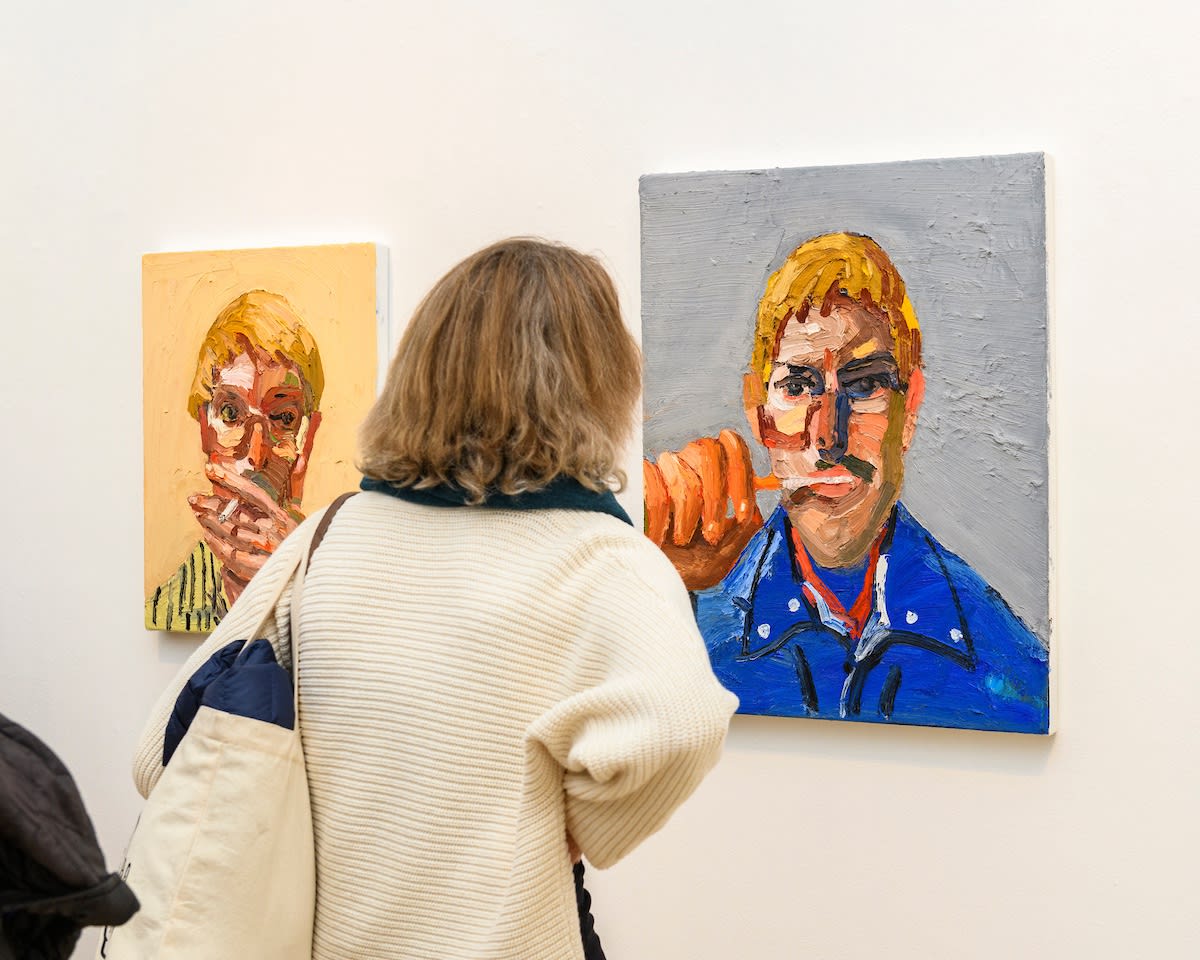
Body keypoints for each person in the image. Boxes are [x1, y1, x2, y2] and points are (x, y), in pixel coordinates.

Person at [131, 239, 737, 959]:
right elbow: (680, 726)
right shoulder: (603, 561)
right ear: (598, 382)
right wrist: (576, 823)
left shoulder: (328, 535)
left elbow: (158, 758)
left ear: (423, 369)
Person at [644, 232, 1049, 733]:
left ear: (911, 406)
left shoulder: (1009, 669)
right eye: (797, 387)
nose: (828, 438)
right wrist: (656, 592)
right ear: (759, 412)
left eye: (865, 387)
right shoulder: (688, 616)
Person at [145, 291, 324, 633]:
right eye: (230, 413)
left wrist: (298, 573)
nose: (255, 457)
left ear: (308, 439)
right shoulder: (165, 610)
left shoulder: (328, 577)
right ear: (204, 430)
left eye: (283, 417)